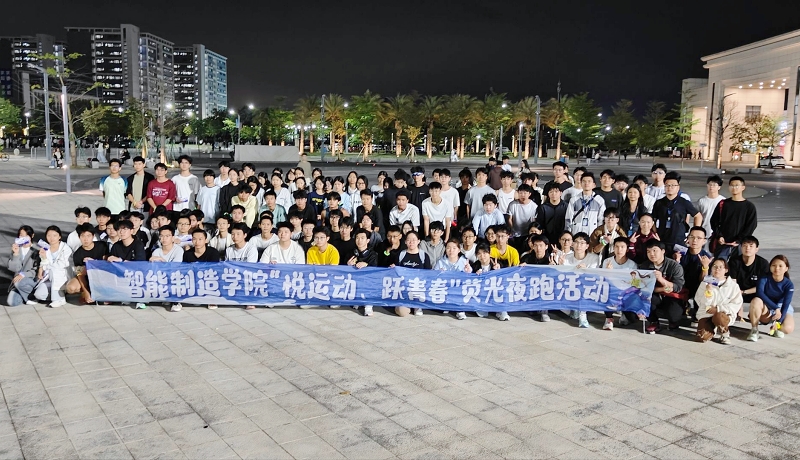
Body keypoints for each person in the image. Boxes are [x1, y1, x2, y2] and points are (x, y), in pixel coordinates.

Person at [640, 239, 686, 333]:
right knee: (645, 297)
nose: (651, 254)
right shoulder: (645, 266)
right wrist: (662, 289)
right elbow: (644, 287)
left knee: (674, 315)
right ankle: (653, 321)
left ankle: (673, 321)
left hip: (672, 296)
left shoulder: (674, 266)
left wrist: (661, 279)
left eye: (654, 250)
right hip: (656, 294)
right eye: (648, 251)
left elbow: (677, 287)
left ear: (663, 251)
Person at [694, 258, 743, 345]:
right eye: (715, 266)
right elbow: (698, 299)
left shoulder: (733, 285)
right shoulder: (706, 282)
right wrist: (708, 293)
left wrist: (718, 309)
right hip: (707, 313)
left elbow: (736, 304)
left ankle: (725, 333)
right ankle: (713, 329)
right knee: (701, 337)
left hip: (724, 315)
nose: (717, 269)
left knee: (719, 317)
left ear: (726, 270)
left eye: (720, 267)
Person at [651, 172, 701, 254]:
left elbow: (698, 216)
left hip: (679, 241)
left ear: (678, 187)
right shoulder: (659, 203)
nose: (670, 187)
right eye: (667, 185)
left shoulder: (684, 202)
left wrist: (693, 234)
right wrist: (655, 232)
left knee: (679, 260)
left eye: (673, 185)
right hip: (662, 240)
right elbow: (652, 219)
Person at [747, 255, 795, 341]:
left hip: (781, 308)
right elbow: (759, 293)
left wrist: (778, 322)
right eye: (774, 265)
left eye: (780, 266)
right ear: (770, 267)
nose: (777, 268)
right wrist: (775, 308)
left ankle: (777, 328)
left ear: (786, 268)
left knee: (788, 328)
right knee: (756, 301)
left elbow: (786, 304)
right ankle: (754, 330)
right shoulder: (764, 278)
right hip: (767, 307)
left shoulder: (789, 284)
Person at [710, 176, 758, 259]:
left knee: (737, 265)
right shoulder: (723, 204)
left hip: (739, 245)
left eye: (736, 185)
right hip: (722, 244)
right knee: (720, 264)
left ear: (743, 187)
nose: (734, 188)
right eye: (731, 185)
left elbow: (751, 226)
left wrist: (739, 240)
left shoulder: (749, 207)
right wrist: (719, 236)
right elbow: (714, 221)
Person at [602, 237, 638, 329]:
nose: (619, 250)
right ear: (613, 248)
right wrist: (608, 272)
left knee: (633, 318)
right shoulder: (607, 262)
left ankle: (624, 313)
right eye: (617, 247)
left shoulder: (632, 265)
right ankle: (609, 318)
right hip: (612, 292)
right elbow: (603, 281)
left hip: (626, 294)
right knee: (606, 293)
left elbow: (635, 284)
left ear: (627, 249)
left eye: (622, 247)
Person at [66, 223, 107, 304]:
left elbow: (107, 263)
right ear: (79, 237)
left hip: (102, 276)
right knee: (71, 288)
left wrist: (93, 262)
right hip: (87, 277)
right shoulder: (77, 254)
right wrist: (86, 292)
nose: (86, 239)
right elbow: (80, 275)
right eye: (83, 236)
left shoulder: (102, 246)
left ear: (93, 236)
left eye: (88, 236)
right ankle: (85, 293)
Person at [392, 231, 430, 317]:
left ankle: (417, 306)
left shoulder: (424, 256)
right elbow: (396, 273)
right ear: (405, 241)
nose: (411, 242)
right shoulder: (401, 255)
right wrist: (393, 268)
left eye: (414, 240)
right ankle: (408, 306)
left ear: (418, 241)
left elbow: (428, 274)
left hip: (419, 289)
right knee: (401, 312)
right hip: (404, 289)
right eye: (409, 240)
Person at [434, 239, 472, 320]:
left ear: (459, 250)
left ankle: (460, 310)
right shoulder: (440, 261)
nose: (451, 250)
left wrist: (468, 271)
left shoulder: (464, 261)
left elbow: (470, 278)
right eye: (448, 248)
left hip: (459, 289)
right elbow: (434, 276)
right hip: (446, 288)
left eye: (454, 248)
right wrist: (439, 273)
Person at [6, 226, 41, 306]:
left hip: (32, 280)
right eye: (21, 235)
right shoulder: (17, 248)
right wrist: (16, 254)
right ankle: (27, 295)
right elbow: (13, 268)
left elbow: (36, 270)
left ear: (32, 235)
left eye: (26, 235)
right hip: (18, 282)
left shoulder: (37, 249)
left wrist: (23, 275)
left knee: (18, 282)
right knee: (11, 302)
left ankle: (30, 298)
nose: (23, 238)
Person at [506, 184, 537, 249]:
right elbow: (509, 219)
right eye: (520, 193)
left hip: (527, 234)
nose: (523, 195)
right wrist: (512, 230)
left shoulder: (534, 206)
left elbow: (534, 221)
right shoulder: (512, 204)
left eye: (525, 193)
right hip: (515, 234)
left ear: (529, 194)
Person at [696, 175, 725, 244]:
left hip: (718, 235)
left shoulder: (723, 201)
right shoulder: (701, 201)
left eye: (714, 185)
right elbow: (698, 217)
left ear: (719, 187)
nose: (711, 187)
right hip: (704, 233)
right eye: (710, 184)